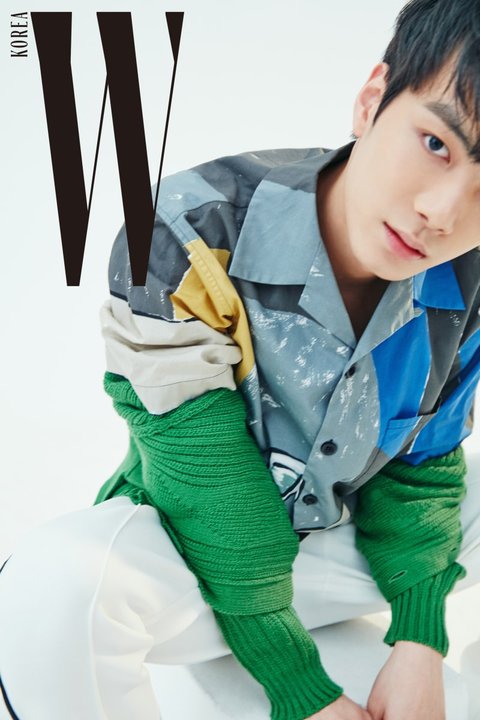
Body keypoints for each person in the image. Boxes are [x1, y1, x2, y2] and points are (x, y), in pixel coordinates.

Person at [1, 0, 480, 718]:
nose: (442, 213)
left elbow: (421, 469)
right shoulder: (183, 232)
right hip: (189, 561)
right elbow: (211, 488)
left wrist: (419, 642)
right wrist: (302, 690)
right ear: (373, 99)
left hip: (335, 547)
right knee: (54, 584)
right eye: (435, 143)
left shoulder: (466, 279)